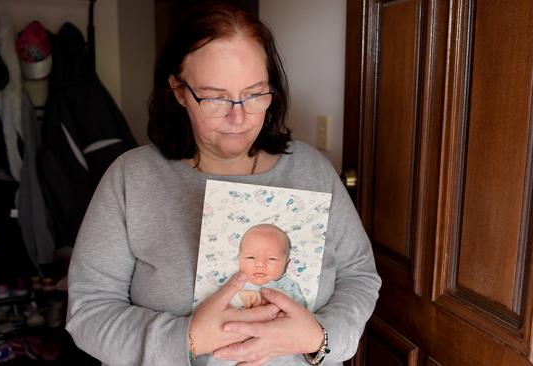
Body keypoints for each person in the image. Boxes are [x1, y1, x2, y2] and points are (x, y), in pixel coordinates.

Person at [66, 3, 381, 366]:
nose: (238, 117)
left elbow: (359, 275)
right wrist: (186, 339)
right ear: (179, 91)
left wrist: (321, 339)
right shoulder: (130, 178)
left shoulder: (313, 170)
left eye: (254, 93)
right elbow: (89, 312)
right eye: (214, 97)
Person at [230, 224, 307, 309]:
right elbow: (217, 306)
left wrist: (275, 298)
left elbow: (301, 310)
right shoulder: (234, 283)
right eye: (251, 257)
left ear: (286, 263)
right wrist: (239, 298)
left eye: (271, 259)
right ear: (239, 259)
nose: (260, 264)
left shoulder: (286, 284)